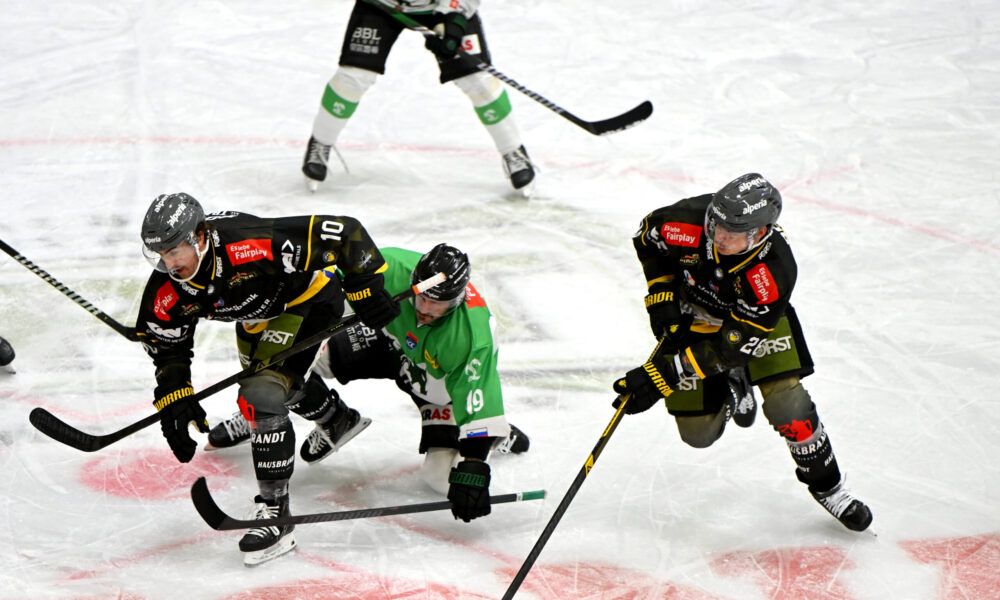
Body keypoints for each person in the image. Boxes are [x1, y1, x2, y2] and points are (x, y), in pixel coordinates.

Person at [136, 192, 400, 565]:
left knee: (263, 392)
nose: (169, 263)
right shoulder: (167, 285)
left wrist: (365, 287)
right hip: (256, 315)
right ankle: (336, 419)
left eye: (174, 251)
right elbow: (167, 347)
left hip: (308, 301)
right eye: (160, 254)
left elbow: (344, 233)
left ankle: (277, 512)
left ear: (199, 236)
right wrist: (175, 397)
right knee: (273, 388)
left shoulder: (248, 242)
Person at [612, 173, 873, 532]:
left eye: (731, 233)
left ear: (761, 233)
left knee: (788, 407)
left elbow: (732, 347)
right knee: (698, 434)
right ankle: (734, 388)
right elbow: (647, 240)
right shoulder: (684, 223)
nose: (718, 237)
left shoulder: (773, 272)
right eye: (716, 225)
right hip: (698, 317)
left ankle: (829, 486)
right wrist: (662, 298)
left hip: (750, 325)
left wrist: (664, 374)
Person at [208, 243, 530, 523]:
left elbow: (477, 391)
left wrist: (474, 465)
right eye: (422, 296)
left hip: (436, 384)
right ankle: (281, 411)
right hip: (389, 341)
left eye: (438, 303)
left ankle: (490, 432)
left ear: (457, 300)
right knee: (300, 348)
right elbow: (323, 284)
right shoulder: (390, 267)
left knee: (438, 478)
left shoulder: (470, 339)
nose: (425, 309)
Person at [301, 0, 536, 194]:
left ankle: (512, 150)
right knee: (352, 79)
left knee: (479, 82)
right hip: (382, 4)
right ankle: (321, 142)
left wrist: (454, 20)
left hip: (441, 7)